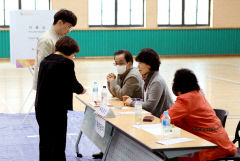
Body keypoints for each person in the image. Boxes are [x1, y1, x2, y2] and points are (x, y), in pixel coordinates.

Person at [166, 68, 237, 161]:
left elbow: (166, 118)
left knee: (170, 154)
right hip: (222, 144)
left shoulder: (185, 99)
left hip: (208, 147)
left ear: (178, 86)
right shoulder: (198, 94)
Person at [35, 36, 86, 161]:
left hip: (41, 107)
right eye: (74, 54)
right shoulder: (66, 63)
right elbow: (72, 83)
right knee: (58, 141)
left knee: (45, 140)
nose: (73, 57)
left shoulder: (45, 60)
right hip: (56, 109)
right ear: (70, 51)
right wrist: (82, 90)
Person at [33, 9, 77, 90]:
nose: (68, 31)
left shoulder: (56, 38)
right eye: (69, 27)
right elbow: (43, 66)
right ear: (60, 22)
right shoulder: (46, 39)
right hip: (47, 86)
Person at [124, 48, 173, 117]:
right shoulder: (147, 78)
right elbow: (146, 101)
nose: (138, 66)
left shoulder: (156, 81)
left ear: (149, 65)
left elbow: (149, 106)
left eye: (140, 63)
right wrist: (133, 99)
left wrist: (132, 103)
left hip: (163, 122)